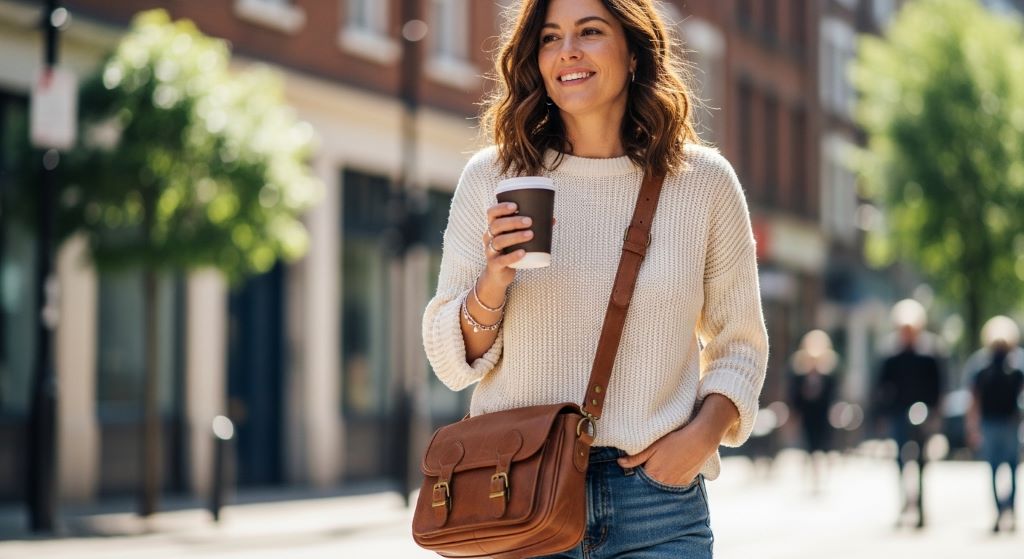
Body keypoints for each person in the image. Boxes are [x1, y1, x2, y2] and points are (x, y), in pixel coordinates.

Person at [421, 0, 768, 557]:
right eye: (551, 38)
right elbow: (450, 361)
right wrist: (494, 280)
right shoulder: (493, 177)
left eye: (590, 31)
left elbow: (739, 347)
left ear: (633, 50)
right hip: (516, 489)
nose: (569, 51)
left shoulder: (703, 184)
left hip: (657, 503)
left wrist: (695, 443)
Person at [874, 298, 944, 529]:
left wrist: (934, 412)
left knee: (922, 460)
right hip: (898, 413)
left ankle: (921, 506)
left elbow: (937, 386)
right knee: (900, 459)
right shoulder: (891, 355)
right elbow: (881, 387)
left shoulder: (928, 354)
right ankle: (905, 500)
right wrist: (883, 412)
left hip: (922, 415)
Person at [966, 315, 1024, 533]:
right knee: (1002, 469)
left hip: (1005, 424)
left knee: (1006, 469)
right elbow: (974, 400)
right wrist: (972, 426)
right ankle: (1003, 510)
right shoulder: (983, 368)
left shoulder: (1015, 368)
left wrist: (972, 426)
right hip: (996, 424)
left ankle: (1005, 510)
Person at [788, 329, 839, 495]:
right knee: (809, 447)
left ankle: (821, 477)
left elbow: (833, 396)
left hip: (823, 416)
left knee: (823, 446)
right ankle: (811, 477)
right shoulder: (799, 375)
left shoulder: (829, 376)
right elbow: (795, 397)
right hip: (808, 416)